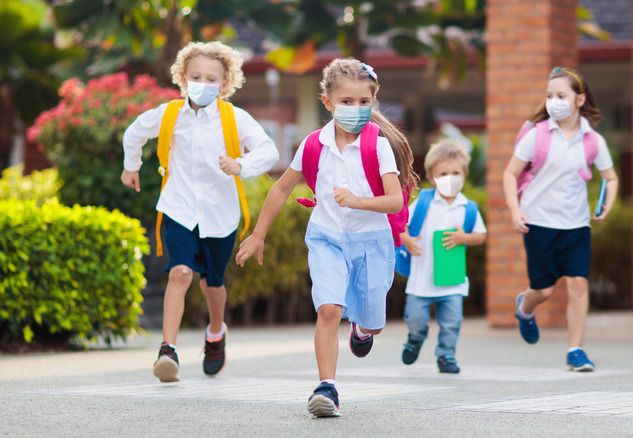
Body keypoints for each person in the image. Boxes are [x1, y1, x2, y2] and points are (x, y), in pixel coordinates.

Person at [235, 58, 418, 417]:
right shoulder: (313, 144)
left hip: (373, 243)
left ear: (373, 101)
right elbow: (281, 189)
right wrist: (258, 235)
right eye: (347, 102)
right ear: (328, 102)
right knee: (329, 309)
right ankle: (326, 388)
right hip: (327, 238)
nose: (356, 109)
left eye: (364, 102)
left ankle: (363, 331)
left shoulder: (377, 146)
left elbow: (396, 199)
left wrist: (359, 201)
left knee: (373, 321)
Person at [121, 41, 279, 383]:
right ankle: (168, 350)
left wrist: (241, 164)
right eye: (196, 76)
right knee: (179, 273)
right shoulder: (168, 115)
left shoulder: (234, 118)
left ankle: (215, 332)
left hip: (220, 215)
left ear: (225, 84)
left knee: (212, 285)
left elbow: (268, 150)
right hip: (178, 208)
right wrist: (130, 166)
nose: (203, 84)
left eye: (211, 79)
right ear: (182, 77)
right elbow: (134, 133)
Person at [502, 66, 618, 372]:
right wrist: (515, 211)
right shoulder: (537, 135)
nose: (554, 101)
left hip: (577, 225)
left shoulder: (593, 140)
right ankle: (524, 309)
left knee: (578, 284)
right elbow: (510, 173)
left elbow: (611, 177)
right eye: (550, 95)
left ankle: (576, 350)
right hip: (539, 223)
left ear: (579, 100)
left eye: (561, 95)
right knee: (544, 291)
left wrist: (606, 204)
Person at [399, 139, 487, 374]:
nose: (451, 177)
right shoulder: (424, 202)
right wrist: (406, 240)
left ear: (465, 174)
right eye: (443, 173)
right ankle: (416, 338)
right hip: (421, 279)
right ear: (431, 176)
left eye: (456, 172)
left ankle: (446, 356)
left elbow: (480, 235)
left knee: (452, 322)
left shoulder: (468, 207)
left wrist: (465, 238)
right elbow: (400, 225)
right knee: (416, 317)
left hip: (452, 280)